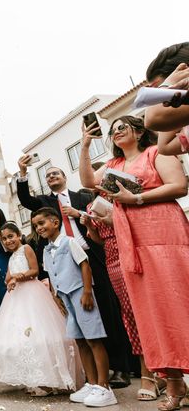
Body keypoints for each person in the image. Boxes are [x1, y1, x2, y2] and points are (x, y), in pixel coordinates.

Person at [79, 115, 189, 410]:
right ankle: (175, 385)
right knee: (150, 311)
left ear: (140, 132)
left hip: (164, 233)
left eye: (122, 128)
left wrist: (135, 199)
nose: (116, 133)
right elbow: (88, 181)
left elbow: (179, 186)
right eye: (112, 131)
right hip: (132, 241)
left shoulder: (155, 153)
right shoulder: (113, 166)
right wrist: (86, 145)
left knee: (178, 302)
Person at [16, 157, 133, 388]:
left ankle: (121, 367)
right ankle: (97, 374)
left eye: (55, 173)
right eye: (47, 175)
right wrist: (22, 174)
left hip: (93, 257)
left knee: (108, 310)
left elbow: (100, 218)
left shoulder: (83, 197)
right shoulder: (43, 202)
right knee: (82, 317)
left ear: (64, 177)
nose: (51, 177)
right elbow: (25, 199)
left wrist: (78, 213)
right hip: (66, 263)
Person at [80, 136, 163, 402]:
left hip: (135, 249)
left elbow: (136, 226)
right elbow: (97, 239)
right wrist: (92, 225)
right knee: (130, 313)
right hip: (112, 259)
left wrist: (113, 219)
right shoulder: (93, 204)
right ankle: (149, 369)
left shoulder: (124, 198)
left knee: (148, 308)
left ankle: (157, 370)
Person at [31, 208, 117, 407]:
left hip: (80, 295)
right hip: (65, 298)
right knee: (80, 341)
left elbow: (84, 265)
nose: (39, 228)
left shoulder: (69, 242)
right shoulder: (46, 249)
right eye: (36, 226)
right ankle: (92, 383)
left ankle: (105, 386)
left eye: (42, 223)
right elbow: (51, 274)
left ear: (54, 222)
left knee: (93, 339)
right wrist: (55, 296)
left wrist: (87, 292)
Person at [0, 222, 82, 395]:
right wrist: (10, 280)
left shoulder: (26, 249)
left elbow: (34, 270)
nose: (8, 241)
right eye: (5, 239)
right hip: (16, 297)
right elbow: (7, 277)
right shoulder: (12, 256)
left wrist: (17, 276)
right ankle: (34, 378)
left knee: (40, 334)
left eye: (11, 236)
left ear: (18, 235)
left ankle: (48, 382)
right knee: (21, 336)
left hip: (32, 293)